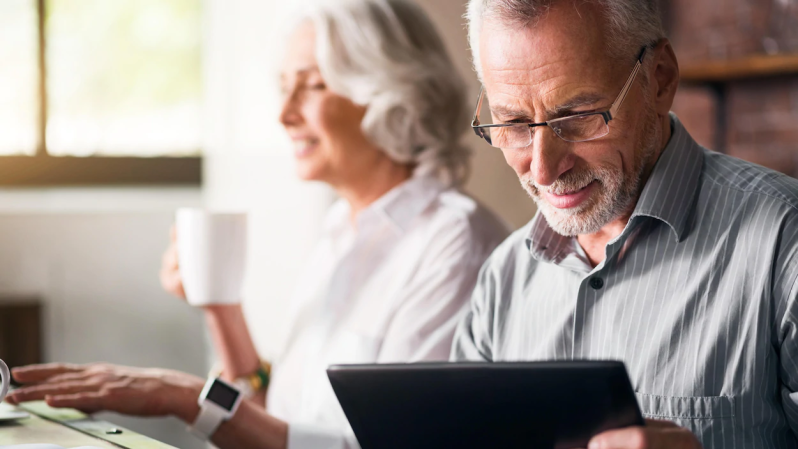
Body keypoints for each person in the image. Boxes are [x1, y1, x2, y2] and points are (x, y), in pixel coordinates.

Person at [7, 1, 508, 448]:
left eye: (312, 85)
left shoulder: (453, 244)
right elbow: (274, 420)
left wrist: (181, 397)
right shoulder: (340, 230)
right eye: (283, 87)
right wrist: (220, 306)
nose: (285, 114)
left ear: (391, 92)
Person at [452, 0, 798, 447]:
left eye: (577, 118)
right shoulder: (503, 279)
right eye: (514, 124)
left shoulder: (784, 243)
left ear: (660, 80)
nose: (542, 170)